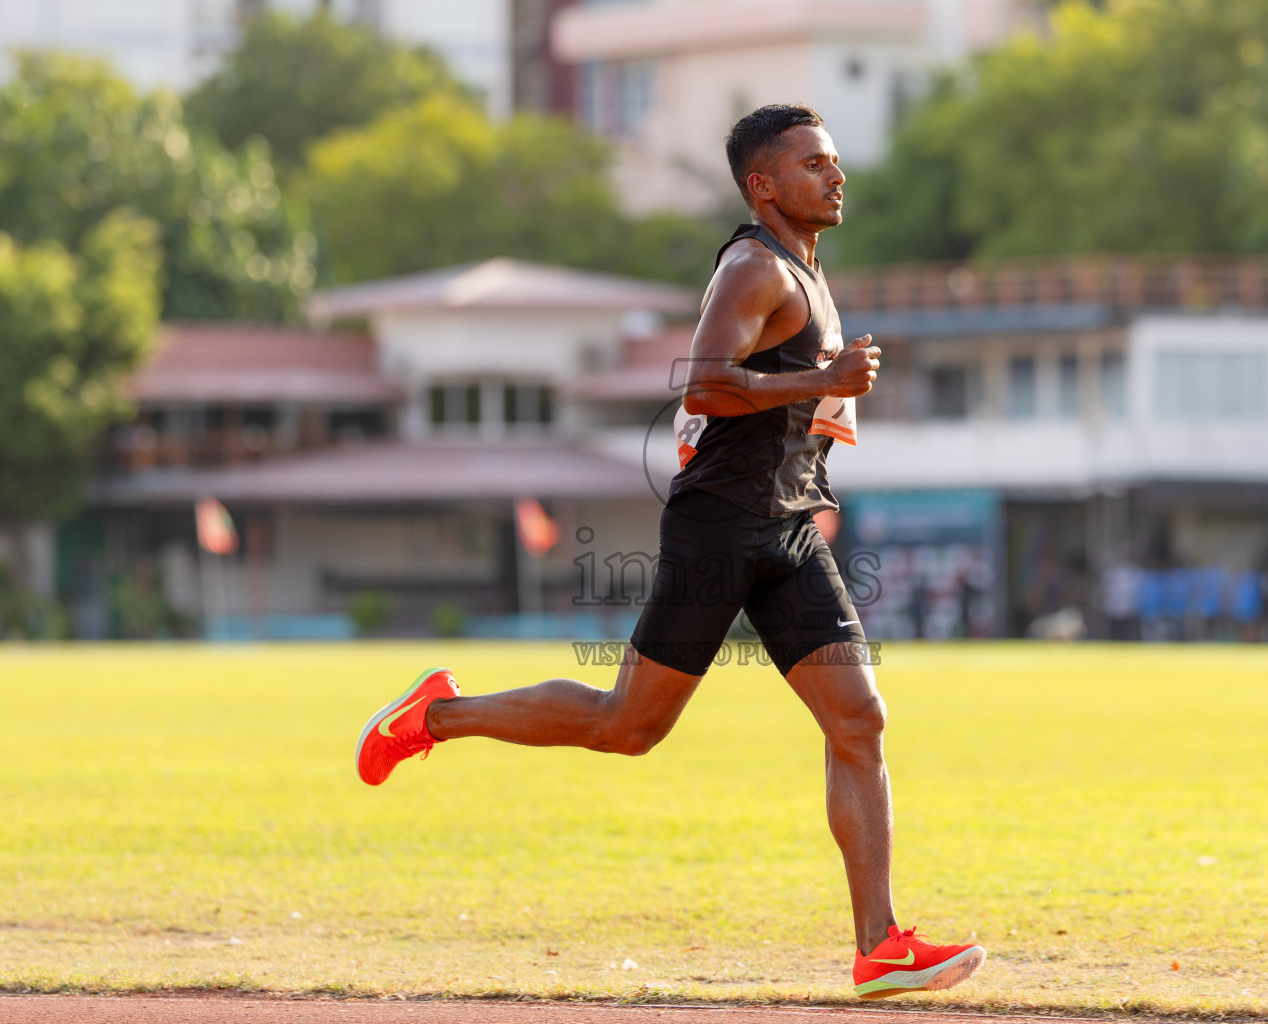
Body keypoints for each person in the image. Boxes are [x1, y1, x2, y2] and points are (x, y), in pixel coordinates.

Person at [353, 104, 985, 999]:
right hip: (721, 526)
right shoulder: (752, 268)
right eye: (813, 165)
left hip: (791, 526)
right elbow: (703, 382)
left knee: (861, 721)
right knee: (629, 726)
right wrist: (823, 381)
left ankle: (878, 947)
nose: (835, 176)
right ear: (763, 184)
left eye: (836, 161)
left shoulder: (810, 270)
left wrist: (821, 411)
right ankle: (433, 716)